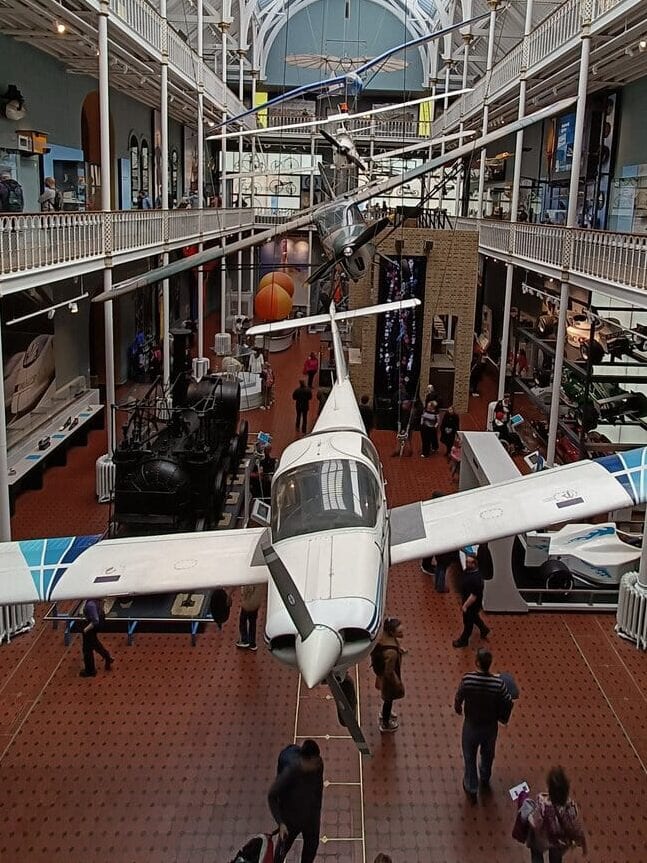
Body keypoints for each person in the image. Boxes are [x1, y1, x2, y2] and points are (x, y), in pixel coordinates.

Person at [454, 647, 513, 803]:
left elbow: (459, 696)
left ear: (477, 663)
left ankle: (471, 785)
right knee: (488, 753)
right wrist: (503, 717)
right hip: (489, 726)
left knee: (469, 755)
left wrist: (458, 707)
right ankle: (485, 777)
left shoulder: (468, 679)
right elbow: (508, 701)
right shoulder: (498, 683)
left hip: (471, 725)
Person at [268, 738, 324, 863]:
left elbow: (318, 790)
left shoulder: (318, 764)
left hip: (311, 819)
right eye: (314, 763)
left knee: (310, 850)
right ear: (305, 760)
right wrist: (281, 823)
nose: (317, 765)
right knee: (280, 855)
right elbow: (272, 796)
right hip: (290, 821)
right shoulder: (290, 772)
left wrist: (316, 813)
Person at [527, 767, 588, 863]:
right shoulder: (569, 807)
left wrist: (529, 819)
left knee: (536, 853)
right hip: (559, 841)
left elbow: (536, 823)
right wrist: (583, 842)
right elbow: (575, 827)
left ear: (549, 789)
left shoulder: (542, 803)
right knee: (556, 858)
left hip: (543, 839)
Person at [371, 617, 405, 733]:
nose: (402, 634)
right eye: (399, 632)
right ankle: (385, 723)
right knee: (388, 701)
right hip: (389, 682)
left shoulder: (385, 638)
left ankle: (386, 715)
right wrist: (397, 683)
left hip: (383, 676)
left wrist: (399, 649)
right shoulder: (392, 653)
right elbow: (389, 672)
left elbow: (393, 644)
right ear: (392, 632)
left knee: (388, 700)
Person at [452, 553, 490, 647]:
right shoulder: (468, 571)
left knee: (468, 623)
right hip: (468, 600)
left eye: (469, 562)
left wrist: (465, 606)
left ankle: (463, 641)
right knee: (474, 617)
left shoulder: (476, 579)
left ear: (474, 564)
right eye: (467, 562)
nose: (467, 564)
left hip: (471, 604)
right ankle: (484, 629)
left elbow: (473, 596)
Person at [79, 597, 113, 677]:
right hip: (98, 622)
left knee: (87, 648)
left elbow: (95, 621)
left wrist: (85, 630)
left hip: (91, 626)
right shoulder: (98, 600)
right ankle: (107, 657)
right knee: (94, 643)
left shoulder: (90, 605)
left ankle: (90, 670)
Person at [236, 583, 265, 651]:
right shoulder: (259, 581)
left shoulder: (249, 581)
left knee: (242, 620)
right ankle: (252, 644)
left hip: (248, 604)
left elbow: (246, 592)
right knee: (253, 623)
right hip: (256, 604)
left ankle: (244, 640)